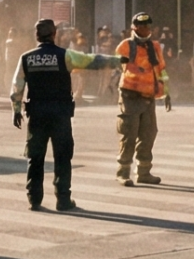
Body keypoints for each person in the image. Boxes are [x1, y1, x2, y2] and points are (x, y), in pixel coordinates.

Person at [10, 18, 105, 211]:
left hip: (36, 115)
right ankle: (63, 199)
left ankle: (34, 199)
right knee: (62, 157)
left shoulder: (27, 58)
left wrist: (17, 111)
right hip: (60, 115)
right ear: (55, 34)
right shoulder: (65, 56)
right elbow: (89, 62)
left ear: (36, 36)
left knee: (35, 157)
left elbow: (16, 88)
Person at [115, 11, 172, 186]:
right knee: (129, 134)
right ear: (134, 27)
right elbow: (119, 66)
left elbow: (161, 70)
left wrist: (166, 92)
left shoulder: (155, 47)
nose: (145, 29)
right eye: (142, 26)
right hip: (130, 96)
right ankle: (123, 172)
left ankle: (144, 172)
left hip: (149, 97)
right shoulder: (126, 45)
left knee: (148, 134)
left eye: (148, 26)